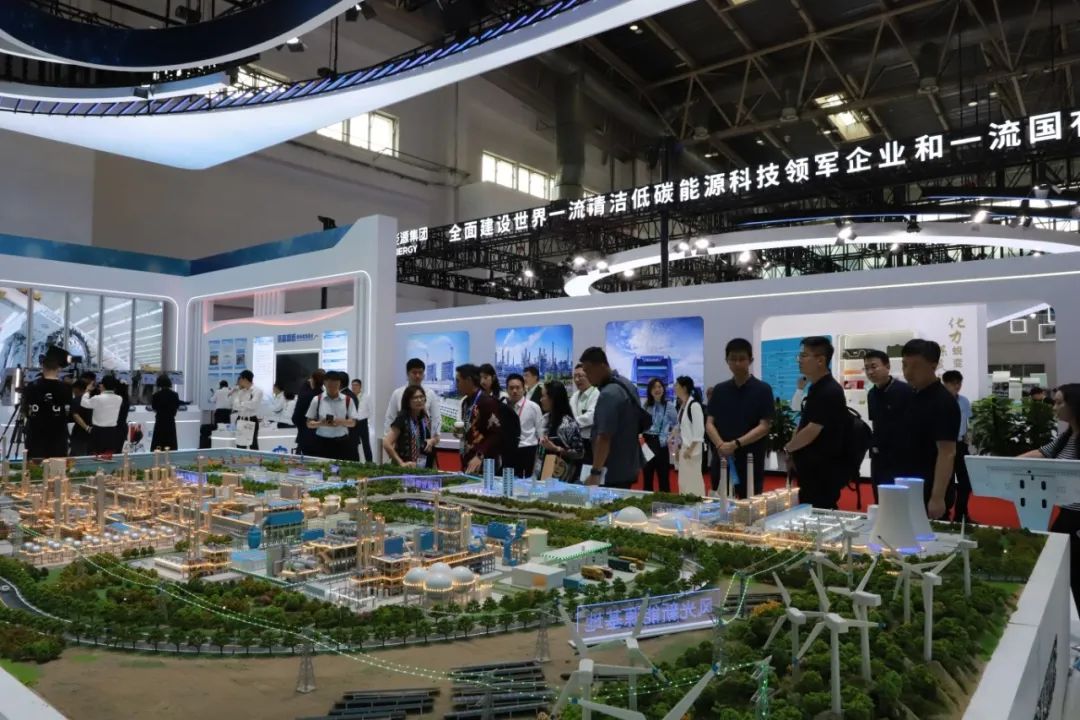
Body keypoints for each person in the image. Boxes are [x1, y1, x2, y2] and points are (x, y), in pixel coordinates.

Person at [1019, 384, 1080, 611]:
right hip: (1066, 514)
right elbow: (1042, 452)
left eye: (1060, 402)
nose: (1054, 407)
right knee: (1059, 565)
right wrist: (1010, 463)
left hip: (1077, 519)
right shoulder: (1068, 436)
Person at [783, 337, 848, 509]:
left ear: (820, 360)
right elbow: (806, 423)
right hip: (811, 468)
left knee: (821, 510)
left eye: (804, 356)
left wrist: (788, 448)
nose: (800, 360)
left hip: (823, 470)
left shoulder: (830, 390)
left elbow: (813, 429)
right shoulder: (816, 387)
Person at [898, 339, 960, 519]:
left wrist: (937, 497)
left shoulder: (943, 402)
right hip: (907, 483)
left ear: (933, 365)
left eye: (916, 366)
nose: (908, 372)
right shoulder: (911, 396)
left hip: (929, 489)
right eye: (904, 365)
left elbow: (947, 453)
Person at [705, 338, 774, 498]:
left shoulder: (763, 390)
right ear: (727, 361)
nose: (737, 363)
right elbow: (709, 423)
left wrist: (735, 444)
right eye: (733, 359)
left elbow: (764, 426)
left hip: (750, 458)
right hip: (722, 457)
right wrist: (721, 445)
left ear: (751, 360)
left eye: (742, 359)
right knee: (720, 502)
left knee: (749, 502)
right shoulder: (720, 390)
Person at [579, 347, 642, 488]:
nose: (586, 375)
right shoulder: (627, 384)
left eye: (588, 370)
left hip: (612, 471)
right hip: (628, 465)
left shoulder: (609, 394)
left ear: (601, 366)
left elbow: (604, 436)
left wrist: (595, 472)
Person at [864, 349, 913, 503]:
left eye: (874, 366)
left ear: (887, 366)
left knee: (901, 500)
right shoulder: (871, 394)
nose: (870, 372)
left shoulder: (905, 391)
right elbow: (876, 423)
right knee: (880, 498)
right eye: (866, 368)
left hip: (902, 456)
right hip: (879, 456)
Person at [21, 346, 71, 459]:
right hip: (58, 439)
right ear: (59, 368)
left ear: (42, 366)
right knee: (56, 468)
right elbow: (68, 413)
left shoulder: (31, 386)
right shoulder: (66, 388)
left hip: (35, 438)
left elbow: (26, 411)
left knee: (35, 468)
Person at [454, 363, 502, 474]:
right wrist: (460, 432)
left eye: (458, 381)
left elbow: (496, 434)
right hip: (468, 459)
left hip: (485, 462)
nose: (456, 385)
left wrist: (480, 455)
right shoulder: (465, 402)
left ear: (469, 380)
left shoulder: (487, 402)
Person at [385, 358, 441, 445]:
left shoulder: (430, 393)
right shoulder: (398, 393)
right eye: (414, 373)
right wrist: (389, 441)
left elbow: (436, 418)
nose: (417, 376)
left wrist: (433, 439)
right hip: (403, 442)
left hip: (424, 442)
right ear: (408, 374)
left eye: (420, 373)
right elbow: (390, 418)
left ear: (423, 375)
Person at [942, 370, 974, 523]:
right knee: (946, 482)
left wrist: (968, 440)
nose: (957, 386)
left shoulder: (964, 401)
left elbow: (967, 423)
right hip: (944, 446)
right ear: (945, 384)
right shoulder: (939, 401)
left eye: (959, 383)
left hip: (960, 445)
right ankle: (944, 515)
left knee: (966, 481)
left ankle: (961, 514)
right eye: (953, 383)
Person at [536, 381, 584, 482]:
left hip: (562, 476)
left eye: (543, 396)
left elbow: (580, 453)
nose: (541, 400)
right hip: (543, 472)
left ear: (553, 398)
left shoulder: (567, 424)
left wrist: (556, 448)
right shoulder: (544, 419)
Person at [306, 371, 359, 460]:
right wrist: (321, 423)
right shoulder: (317, 400)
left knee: (341, 467)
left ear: (339, 384)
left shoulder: (348, 400)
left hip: (342, 443)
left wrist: (340, 421)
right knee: (322, 467)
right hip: (321, 442)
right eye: (330, 386)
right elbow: (309, 423)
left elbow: (353, 423)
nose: (333, 389)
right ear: (324, 384)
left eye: (336, 386)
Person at [383, 385, 434, 468]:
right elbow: (386, 443)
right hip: (406, 468)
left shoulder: (424, 418)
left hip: (423, 466)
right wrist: (401, 463)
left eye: (421, 397)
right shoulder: (402, 418)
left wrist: (431, 441)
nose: (419, 400)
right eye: (415, 398)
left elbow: (431, 438)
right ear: (408, 401)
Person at [642, 378, 677, 493]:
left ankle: (665, 502)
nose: (657, 389)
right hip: (647, 442)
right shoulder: (646, 405)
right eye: (654, 387)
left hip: (661, 444)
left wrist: (670, 436)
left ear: (663, 389)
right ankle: (647, 500)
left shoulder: (669, 405)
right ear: (650, 390)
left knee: (663, 477)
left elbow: (676, 424)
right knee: (647, 476)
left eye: (659, 387)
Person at [505, 373, 543, 479]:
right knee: (508, 482)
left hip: (527, 451)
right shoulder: (504, 407)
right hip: (508, 450)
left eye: (518, 387)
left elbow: (540, 433)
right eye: (511, 388)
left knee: (525, 483)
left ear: (524, 389)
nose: (514, 391)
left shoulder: (533, 407)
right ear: (507, 390)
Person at [675, 376, 706, 497]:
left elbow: (699, 431)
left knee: (693, 482)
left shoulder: (694, 406)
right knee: (684, 482)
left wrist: (690, 450)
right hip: (685, 449)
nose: (674, 388)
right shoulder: (683, 405)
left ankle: (697, 504)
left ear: (684, 388)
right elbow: (682, 429)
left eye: (677, 386)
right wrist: (679, 448)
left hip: (692, 451)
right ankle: (686, 504)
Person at [80, 375, 124, 454]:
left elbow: (84, 403)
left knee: (94, 455)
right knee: (108, 456)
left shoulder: (97, 398)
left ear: (102, 385)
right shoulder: (119, 398)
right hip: (112, 432)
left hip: (98, 431)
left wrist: (88, 390)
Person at [569, 364, 599, 464]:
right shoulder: (574, 396)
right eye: (575, 376)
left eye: (580, 376)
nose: (577, 380)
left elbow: (591, 416)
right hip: (575, 441)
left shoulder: (597, 393)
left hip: (590, 442)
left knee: (587, 469)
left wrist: (571, 423)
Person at [293, 369, 325, 455]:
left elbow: (296, 417)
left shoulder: (305, 395)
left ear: (312, 380)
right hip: (321, 437)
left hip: (305, 435)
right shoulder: (324, 396)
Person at [232, 369, 264, 450]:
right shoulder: (241, 391)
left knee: (253, 444)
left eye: (240, 379)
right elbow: (235, 406)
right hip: (240, 419)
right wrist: (245, 403)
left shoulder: (257, 391)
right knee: (240, 445)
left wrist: (241, 403)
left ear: (245, 379)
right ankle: (241, 459)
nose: (239, 381)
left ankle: (255, 459)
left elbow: (253, 404)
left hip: (251, 419)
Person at [150, 374, 181, 451]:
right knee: (171, 443)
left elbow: (154, 408)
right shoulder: (174, 395)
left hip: (160, 421)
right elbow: (176, 407)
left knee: (158, 443)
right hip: (170, 421)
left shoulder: (156, 395)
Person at [351, 379, 374, 463]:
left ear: (360, 386)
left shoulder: (366, 397)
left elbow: (371, 410)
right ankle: (355, 461)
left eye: (356, 385)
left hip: (363, 422)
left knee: (366, 444)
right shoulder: (350, 397)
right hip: (353, 423)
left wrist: (368, 421)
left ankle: (369, 462)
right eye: (353, 385)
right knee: (353, 444)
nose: (354, 387)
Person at [69, 380, 93, 456]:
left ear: (76, 389)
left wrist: (86, 428)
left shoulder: (76, 400)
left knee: (77, 456)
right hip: (91, 431)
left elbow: (76, 415)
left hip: (79, 433)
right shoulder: (92, 399)